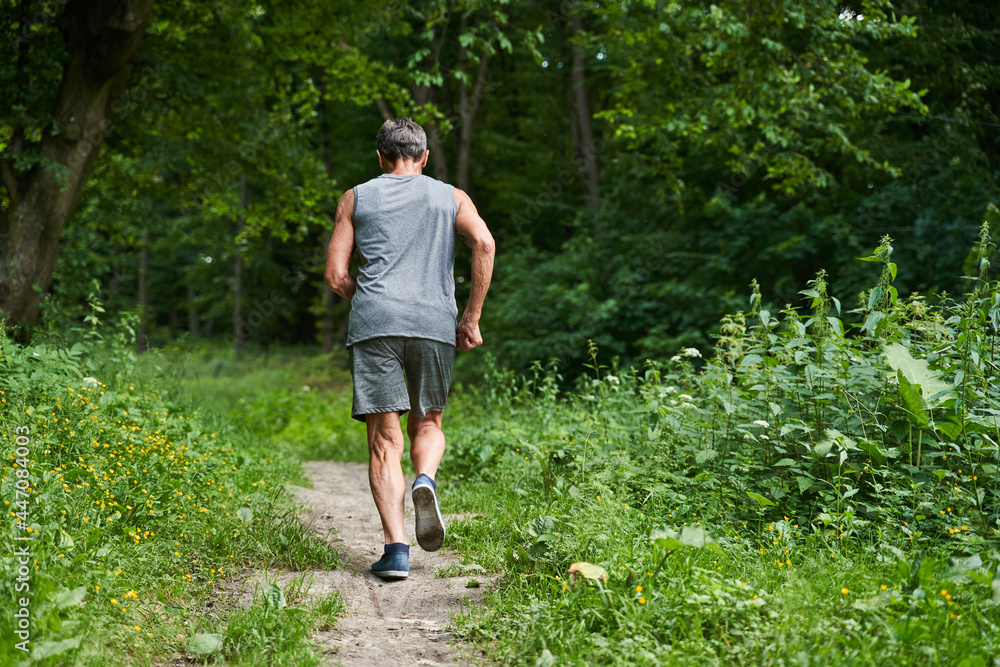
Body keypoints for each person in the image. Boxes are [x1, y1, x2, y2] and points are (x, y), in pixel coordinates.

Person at [324, 117, 495, 580]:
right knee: (429, 420)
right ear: (423, 157)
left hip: (375, 323)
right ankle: (425, 480)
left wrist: (372, 299)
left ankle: (396, 551)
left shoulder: (356, 197)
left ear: (380, 157)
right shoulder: (451, 197)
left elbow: (337, 276)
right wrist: (471, 317)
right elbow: (483, 242)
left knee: (384, 437)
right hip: (433, 322)